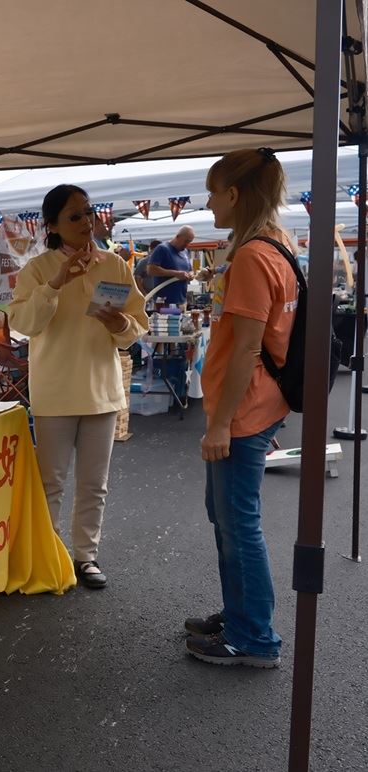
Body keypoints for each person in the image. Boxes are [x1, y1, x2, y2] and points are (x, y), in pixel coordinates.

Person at [183, 148, 295, 669]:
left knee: (237, 522)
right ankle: (242, 614)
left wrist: (221, 423)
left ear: (233, 194)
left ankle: (254, 637)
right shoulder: (276, 244)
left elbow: (248, 347)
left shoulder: (252, 255)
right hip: (259, 406)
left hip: (244, 409)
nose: (207, 203)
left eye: (211, 192)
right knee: (228, 517)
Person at [8, 184, 148, 589]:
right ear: (51, 225)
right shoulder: (37, 269)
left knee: (94, 483)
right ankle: (49, 555)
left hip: (102, 390)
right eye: (74, 216)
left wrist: (118, 324)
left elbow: (135, 326)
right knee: (50, 482)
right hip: (54, 391)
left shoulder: (115, 265)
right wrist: (55, 283)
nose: (86, 222)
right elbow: (23, 324)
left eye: (88, 213)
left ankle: (86, 556)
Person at [147, 226, 197, 308]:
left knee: (180, 320)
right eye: (186, 241)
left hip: (181, 301)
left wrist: (191, 275)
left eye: (190, 242)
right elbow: (151, 270)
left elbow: (189, 270)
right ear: (178, 237)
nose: (187, 244)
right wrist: (175, 273)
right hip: (165, 303)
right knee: (168, 320)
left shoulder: (185, 252)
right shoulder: (162, 249)